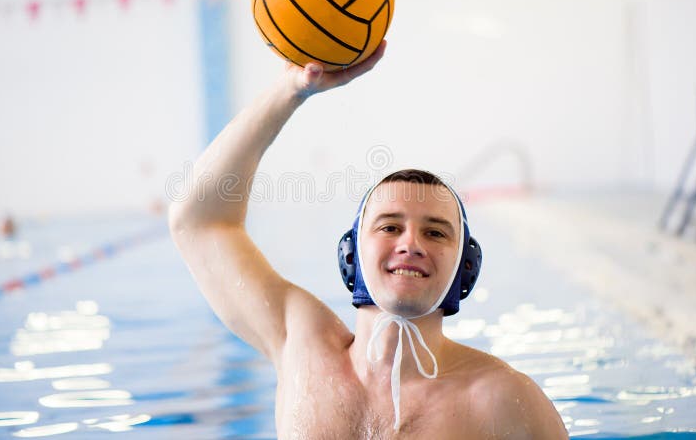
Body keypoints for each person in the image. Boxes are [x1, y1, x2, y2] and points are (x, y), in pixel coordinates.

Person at [168, 41, 568, 439]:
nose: (410, 243)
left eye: (434, 232)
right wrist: (289, 91)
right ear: (351, 254)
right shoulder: (301, 347)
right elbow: (197, 222)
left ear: (466, 267)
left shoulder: (503, 401)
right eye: (390, 227)